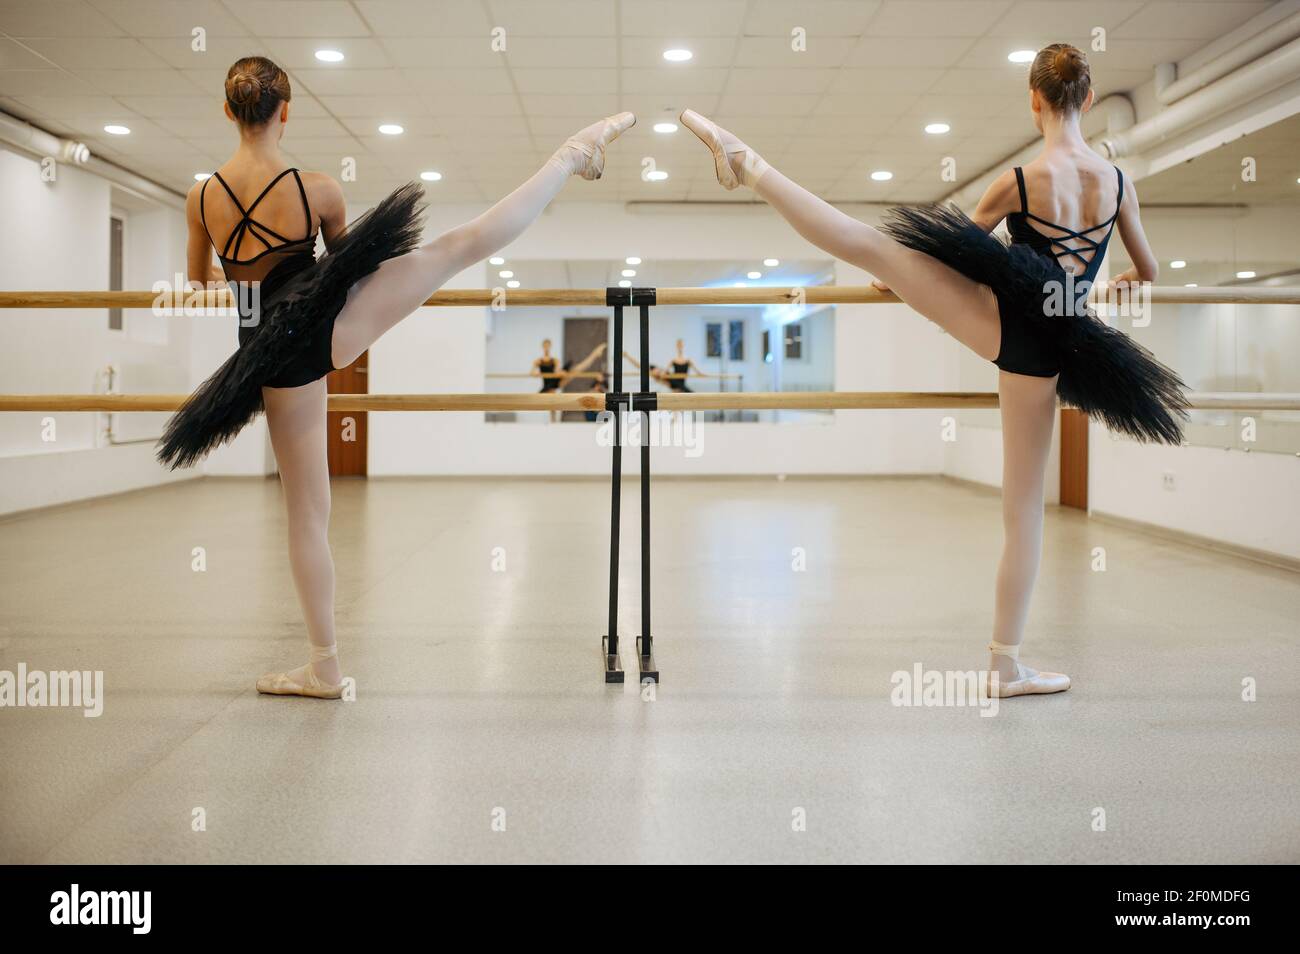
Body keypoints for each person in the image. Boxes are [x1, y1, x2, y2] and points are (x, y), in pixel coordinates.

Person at [680, 43, 1187, 698]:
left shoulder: (1017, 182)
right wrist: (1108, 287)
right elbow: (1147, 272)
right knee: (1025, 511)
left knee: (869, 246)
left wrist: (900, 285)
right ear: (1088, 100)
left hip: (994, 320)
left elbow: (962, 256)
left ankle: (748, 164)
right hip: (1052, 350)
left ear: (1034, 100)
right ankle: (1005, 666)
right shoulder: (1119, 185)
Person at [160, 54, 634, 698]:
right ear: (287, 110)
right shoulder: (317, 187)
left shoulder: (201, 195)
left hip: (270, 356)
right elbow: (342, 267)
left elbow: (200, 279)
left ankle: (324, 665)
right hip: (335, 325)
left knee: (306, 513)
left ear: (227, 112)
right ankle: (570, 158)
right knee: (456, 248)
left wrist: (243, 287)